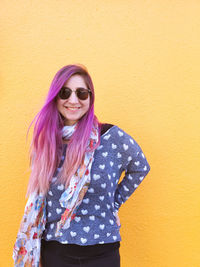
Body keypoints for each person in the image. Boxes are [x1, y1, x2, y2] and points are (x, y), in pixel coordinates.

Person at [13, 64, 151, 267]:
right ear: (55, 98)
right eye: (65, 92)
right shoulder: (47, 145)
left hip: (103, 253)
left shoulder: (111, 138)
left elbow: (140, 166)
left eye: (81, 93)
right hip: (56, 253)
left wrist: (114, 203)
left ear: (90, 98)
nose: (73, 100)